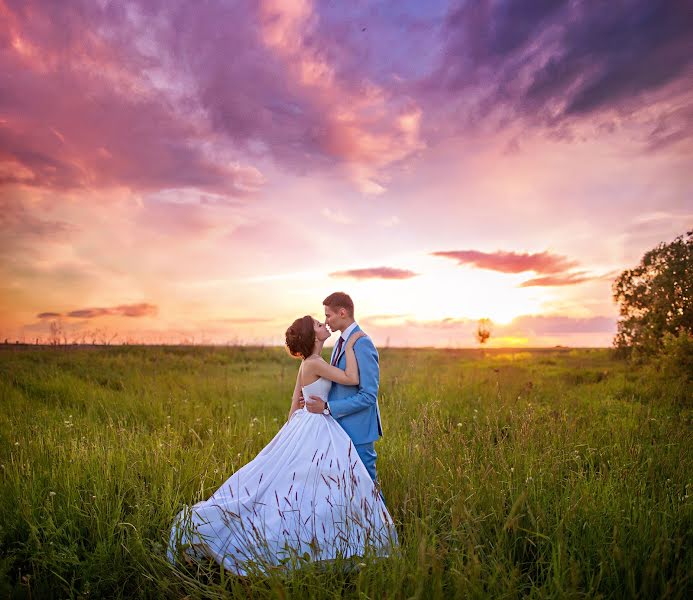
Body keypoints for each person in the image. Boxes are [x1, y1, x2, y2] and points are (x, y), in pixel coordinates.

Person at [167, 315, 397, 575]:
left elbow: (294, 399)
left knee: (309, 481)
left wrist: (291, 432)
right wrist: (354, 342)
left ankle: (322, 534)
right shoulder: (315, 363)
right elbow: (352, 377)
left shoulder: (309, 364)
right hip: (317, 424)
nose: (324, 325)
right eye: (319, 326)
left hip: (308, 424)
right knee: (313, 481)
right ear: (314, 337)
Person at [303, 292, 382, 483]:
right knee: (346, 489)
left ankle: (381, 515)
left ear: (343, 312)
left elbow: (368, 396)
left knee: (367, 488)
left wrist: (327, 408)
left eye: (328, 315)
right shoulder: (341, 342)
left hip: (359, 429)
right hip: (339, 429)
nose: (326, 320)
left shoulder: (362, 343)